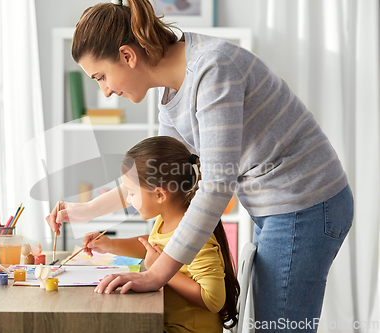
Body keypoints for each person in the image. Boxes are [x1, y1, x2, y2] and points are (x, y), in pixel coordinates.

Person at [46, 0, 354, 330]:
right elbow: (157, 176)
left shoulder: (211, 70)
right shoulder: (172, 91)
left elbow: (216, 187)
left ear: (127, 55)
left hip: (305, 203)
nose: (105, 91)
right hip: (281, 205)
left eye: (101, 77)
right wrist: (85, 210)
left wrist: (156, 274)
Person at [83, 136, 239, 332]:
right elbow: (156, 248)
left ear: (159, 195)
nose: (129, 200)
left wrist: (159, 270)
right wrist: (111, 245)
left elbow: (214, 300)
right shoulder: (165, 218)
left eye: (131, 192)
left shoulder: (198, 237)